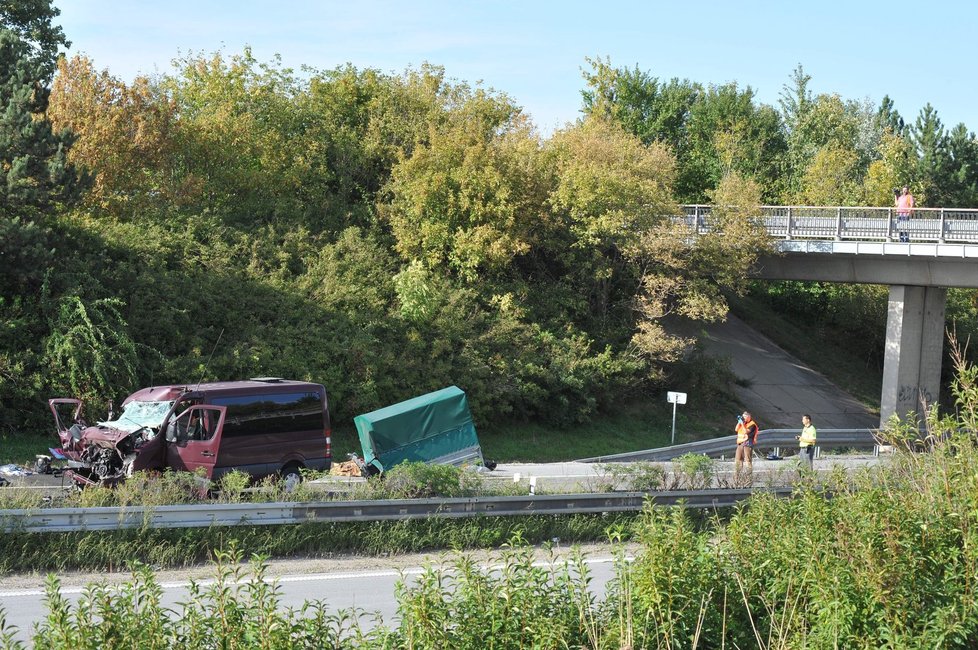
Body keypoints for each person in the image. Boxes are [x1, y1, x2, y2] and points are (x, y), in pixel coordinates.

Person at [734, 410, 759, 482]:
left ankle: (749, 478)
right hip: (740, 443)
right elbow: (736, 429)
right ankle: (737, 477)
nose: (743, 418)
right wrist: (739, 422)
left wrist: (742, 424)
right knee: (738, 460)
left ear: (749, 417)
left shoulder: (752, 424)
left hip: (748, 444)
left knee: (748, 461)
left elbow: (746, 431)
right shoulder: (743, 423)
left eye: (744, 417)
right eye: (743, 417)